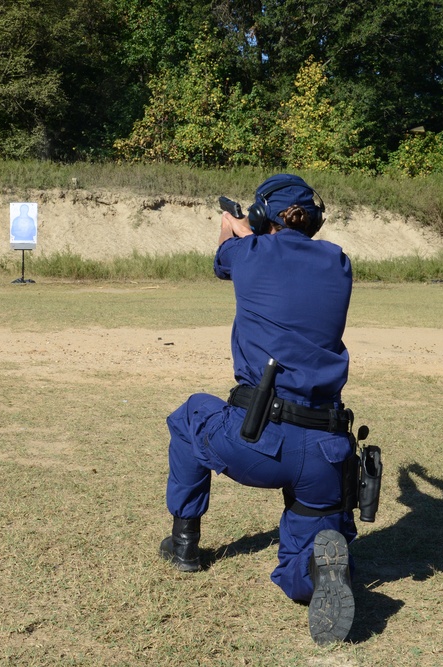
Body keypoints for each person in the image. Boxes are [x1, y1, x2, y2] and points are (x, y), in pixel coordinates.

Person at [159, 173, 358, 645]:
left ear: (263, 215)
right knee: (299, 561)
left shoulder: (247, 252)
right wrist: (255, 231)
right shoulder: (338, 262)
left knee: (190, 415)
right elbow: (288, 265)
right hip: (327, 449)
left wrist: (233, 229)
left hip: (257, 439)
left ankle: (185, 542)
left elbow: (222, 265)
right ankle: (312, 574)